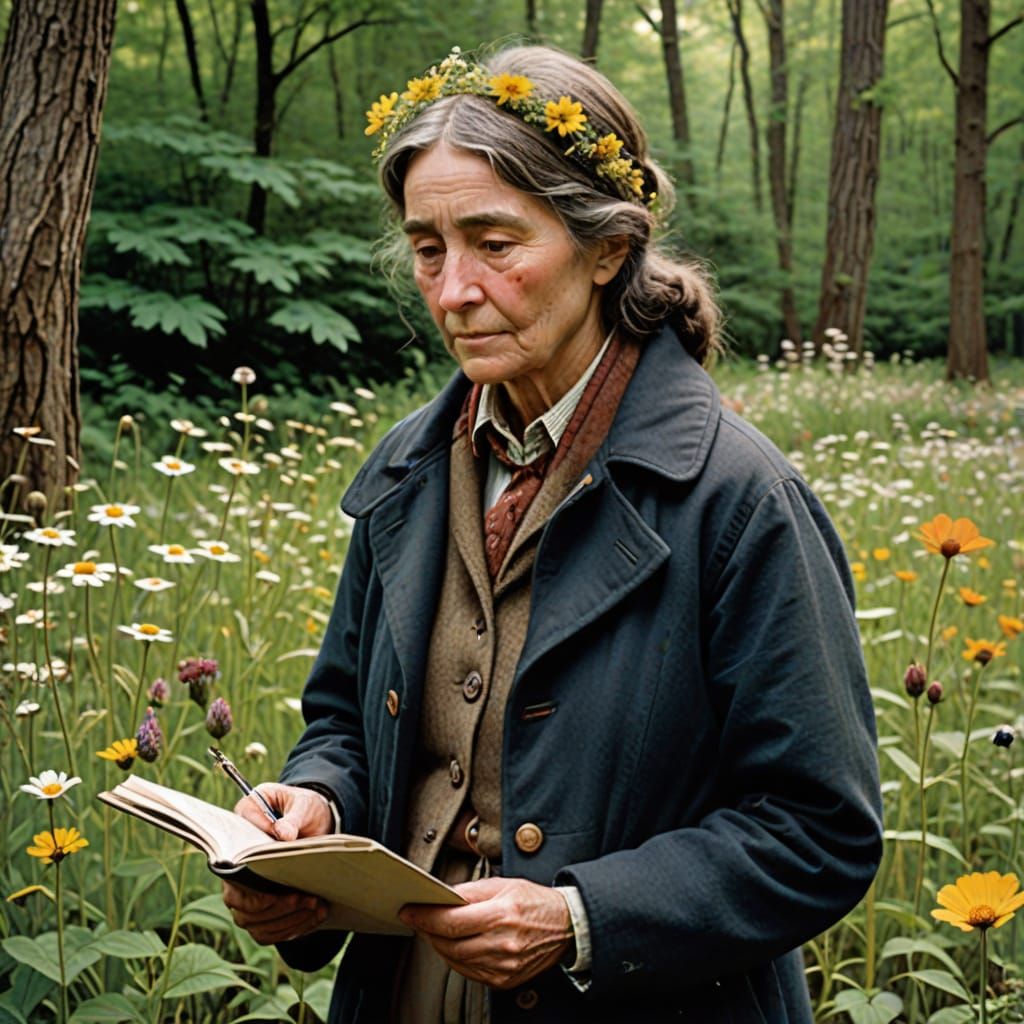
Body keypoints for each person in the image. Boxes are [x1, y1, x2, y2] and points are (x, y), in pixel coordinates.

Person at [222, 43, 883, 1023]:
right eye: (427, 247)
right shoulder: (408, 470)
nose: (451, 290)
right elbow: (342, 724)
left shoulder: (735, 496)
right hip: (397, 993)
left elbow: (818, 831)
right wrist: (316, 807)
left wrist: (581, 917)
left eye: (494, 243)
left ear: (606, 248)